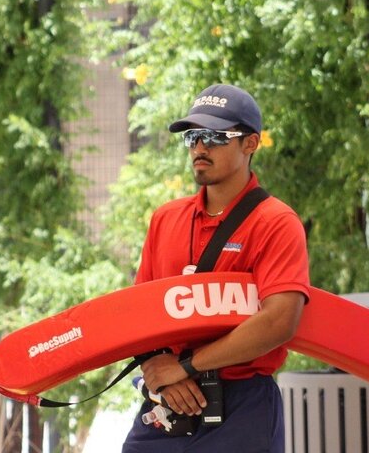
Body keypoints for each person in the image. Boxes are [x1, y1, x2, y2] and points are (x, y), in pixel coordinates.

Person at [122, 84, 310, 453]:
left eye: (215, 136)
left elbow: (279, 321)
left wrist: (185, 366)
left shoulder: (276, 222)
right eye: (193, 137)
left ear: (250, 144)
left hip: (243, 405)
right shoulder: (165, 219)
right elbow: (138, 316)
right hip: (168, 405)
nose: (200, 148)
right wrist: (160, 374)